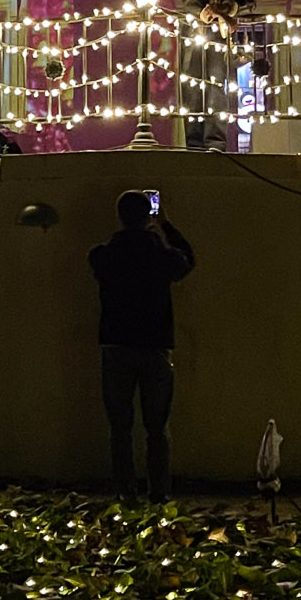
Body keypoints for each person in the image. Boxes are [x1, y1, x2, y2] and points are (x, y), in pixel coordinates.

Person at [88, 191, 195, 501]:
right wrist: (166, 226)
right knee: (157, 428)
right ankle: (159, 492)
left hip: (116, 346)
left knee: (119, 427)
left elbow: (97, 261)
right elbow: (188, 258)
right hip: (155, 346)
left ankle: (125, 492)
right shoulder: (162, 256)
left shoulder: (104, 255)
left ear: (119, 216)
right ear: (148, 216)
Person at [179, 0, 257, 151]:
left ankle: (215, 141)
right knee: (192, 89)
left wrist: (229, 9)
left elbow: (249, 0)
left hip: (222, 38)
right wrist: (204, 12)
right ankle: (193, 142)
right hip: (196, 36)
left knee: (217, 88)